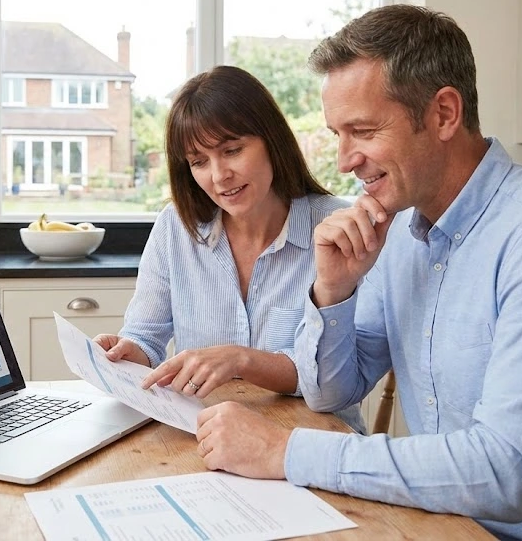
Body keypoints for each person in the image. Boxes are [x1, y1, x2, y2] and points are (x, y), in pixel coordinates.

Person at [193, 5, 522, 540]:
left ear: (443, 114)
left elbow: (505, 472)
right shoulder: (397, 229)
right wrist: (334, 290)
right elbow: (331, 391)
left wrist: (285, 450)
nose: (345, 160)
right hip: (446, 526)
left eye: (363, 130)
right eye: (337, 134)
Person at [94, 65, 366, 434]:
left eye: (232, 150)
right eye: (199, 162)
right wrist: (129, 352)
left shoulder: (338, 230)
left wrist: (240, 360)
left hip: (313, 444)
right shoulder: (175, 228)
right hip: (207, 440)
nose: (219, 176)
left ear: (272, 140)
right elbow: (146, 337)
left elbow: (333, 381)